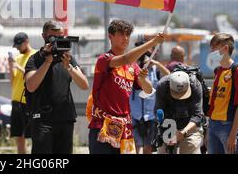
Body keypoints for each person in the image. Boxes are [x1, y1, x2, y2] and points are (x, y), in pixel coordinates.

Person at [88, 19, 164, 154]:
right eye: (121, 34)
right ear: (110, 36)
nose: (126, 38)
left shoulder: (133, 67)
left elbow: (148, 90)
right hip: (103, 125)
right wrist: (152, 42)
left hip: (126, 129)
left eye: (128, 34)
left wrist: (142, 78)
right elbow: (125, 59)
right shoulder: (104, 59)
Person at [24, 21, 89, 154]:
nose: (57, 41)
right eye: (53, 38)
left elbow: (84, 85)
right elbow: (30, 86)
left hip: (65, 118)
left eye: (60, 37)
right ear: (44, 37)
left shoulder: (67, 58)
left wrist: (69, 67)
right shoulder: (35, 59)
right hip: (43, 119)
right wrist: (47, 61)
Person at [207, 33, 238, 154]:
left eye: (214, 47)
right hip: (213, 126)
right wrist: (208, 130)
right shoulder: (218, 70)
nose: (211, 50)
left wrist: (233, 135)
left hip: (229, 126)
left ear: (225, 48)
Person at [130, 41, 170, 154]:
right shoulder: (132, 69)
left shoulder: (155, 71)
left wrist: (156, 63)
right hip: (134, 113)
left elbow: (169, 76)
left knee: (148, 147)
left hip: (151, 115)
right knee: (136, 146)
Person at [155, 71, 205, 154]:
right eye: (176, 94)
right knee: (163, 150)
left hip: (189, 126)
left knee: (191, 145)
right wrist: (167, 133)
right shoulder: (162, 85)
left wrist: (183, 132)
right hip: (167, 124)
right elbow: (158, 111)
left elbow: (198, 115)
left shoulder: (195, 84)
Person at [8, 32, 35, 154]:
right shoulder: (17, 58)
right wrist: (10, 66)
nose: (18, 48)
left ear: (26, 42)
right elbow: (12, 81)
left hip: (28, 102)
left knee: (33, 135)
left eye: (19, 45)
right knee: (19, 136)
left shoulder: (35, 56)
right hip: (16, 101)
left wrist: (18, 67)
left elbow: (34, 76)